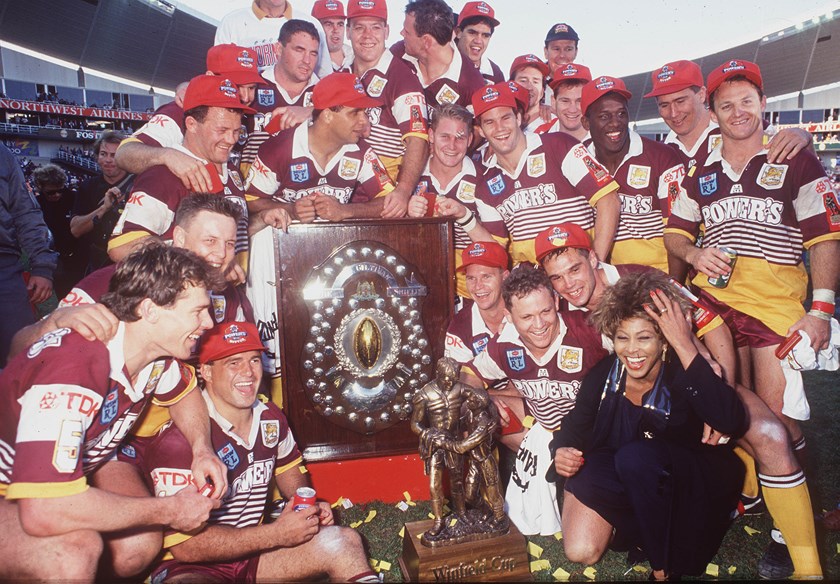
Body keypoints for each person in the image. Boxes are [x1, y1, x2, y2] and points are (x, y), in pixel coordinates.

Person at [538, 221, 822, 580]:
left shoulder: (642, 278)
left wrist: (719, 389)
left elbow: (713, 325)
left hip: (693, 378)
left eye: (574, 269)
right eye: (557, 278)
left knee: (768, 432)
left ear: (593, 258)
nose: (569, 284)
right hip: (631, 413)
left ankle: (802, 559)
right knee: (623, 476)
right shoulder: (561, 314)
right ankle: (697, 503)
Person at [665, 60, 834, 579]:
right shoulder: (701, 169)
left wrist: (822, 307)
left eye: (747, 101)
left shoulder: (794, 157)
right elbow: (674, 234)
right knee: (727, 409)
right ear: (712, 111)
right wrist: (693, 257)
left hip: (775, 305)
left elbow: (824, 237)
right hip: (713, 304)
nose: (738, 112)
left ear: (763, 104)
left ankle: (792, 533)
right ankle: (757, 491)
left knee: (780, 420)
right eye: (726, 103)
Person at [0, 244, 228, 580]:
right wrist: (170, 509)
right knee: (70, 554)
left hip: (58, 477)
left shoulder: (152, 354)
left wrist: (201, 449)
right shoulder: (77, 363)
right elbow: (45, 509)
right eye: (197, 311)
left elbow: (184, 392)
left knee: (139, 541)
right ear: (150, 310)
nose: (209, 322)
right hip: (17, 487)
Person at [127, 321, 378, 583]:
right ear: (206, 372)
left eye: (255, 360)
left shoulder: (269, 416)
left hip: (254, 555)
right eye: (233, 362)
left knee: (344, 541)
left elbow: (289, 468)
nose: (248, 372)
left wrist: (304, 505)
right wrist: (277, 535)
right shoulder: (178, 441)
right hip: (191, 567)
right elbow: (186, 547)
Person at [549, 270, 747, 581]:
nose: (632, 350)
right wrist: (560, 450)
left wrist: (684, 344)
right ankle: (643, 530)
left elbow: (731, 419)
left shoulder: (685, 373)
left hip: (693, 488)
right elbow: (574, 427)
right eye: (622, 337)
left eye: (645, 337)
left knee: (635, 458)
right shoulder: (604, 375)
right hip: (639, 482)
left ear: (664, 339)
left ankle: (662, 570)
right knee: (591, 472)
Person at [467, 267, 609, 535]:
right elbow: (468, 378)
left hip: (591, 438)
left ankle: (582, 483)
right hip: (544, 427)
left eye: (545, 311)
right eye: (527, 316)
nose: (539, 324)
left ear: (556, 302)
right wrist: (481, 398)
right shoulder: (504, 344)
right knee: (470, 408)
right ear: (509, 316)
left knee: (582, 549)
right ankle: (486, 495)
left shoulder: (587, 329)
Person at [470, 82, 620, 265]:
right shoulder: (485, 185)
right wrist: (464, 218)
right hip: (531, 282)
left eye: (505, 118)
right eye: (489, 122)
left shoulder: (559, 145)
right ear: (480, 131)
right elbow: (496, 250)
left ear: (518, 118)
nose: (500, 128)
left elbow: (608, 199)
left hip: (577, 271)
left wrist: (597, 262)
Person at [109, 75, 254, 263]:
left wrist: (266, 218)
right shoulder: (164, 174)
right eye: (222, 130)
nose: (231, 139)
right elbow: (121, 247)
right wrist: (196, 260)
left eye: (236, 131)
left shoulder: (231, 169)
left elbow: (236, 235)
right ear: (191, 124)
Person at [579, 75, 686, 273]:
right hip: (603, 279)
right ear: (586, 122)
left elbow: (678, 232)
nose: (615, 123)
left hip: (655, 277)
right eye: (604, 116)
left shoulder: (662, 156)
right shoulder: (579, 160)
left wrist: (675, 289)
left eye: (621, 114)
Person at [645, 59, 812, 174]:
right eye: (664, 105)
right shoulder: (664, 149)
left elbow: (806, 172)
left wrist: (804, 137)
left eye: (680, 101)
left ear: (702, 94)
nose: (673, 113)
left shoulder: (742, 127)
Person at [346, 0, 429, 218]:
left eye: (375, 27)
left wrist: (403, 191)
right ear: (348, 31)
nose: (367, 35)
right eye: (359, 27)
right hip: (344, 191)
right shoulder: (340, 73)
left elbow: (418, 139)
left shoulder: (402, 77)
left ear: (387, 31)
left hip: (382, 199)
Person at [406, 104, 501, 297]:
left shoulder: (485, 179)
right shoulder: (409, 175)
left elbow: (497, 251)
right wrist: (405, 215)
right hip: (419, 285)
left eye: (460, 137)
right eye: (444, 136)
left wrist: (464, 216)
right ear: (431, 136)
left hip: (471, 292)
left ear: (470, 140)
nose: (452, 145)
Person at [240, 19, 321, 176]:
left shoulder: (327, 93)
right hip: (253, 190)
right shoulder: (252, 86)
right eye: (299, 50)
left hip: (304, 190)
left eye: (313, 53)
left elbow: (360, 125)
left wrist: (314, 111)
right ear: (278, 49)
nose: (307, 60)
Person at [0, 143, 56, 367]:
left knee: (22, 359)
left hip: (4, 269)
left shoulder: (3, 154)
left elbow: (25, 211)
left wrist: (42, 265)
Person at [410, 357, 470, 542]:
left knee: (457, 480)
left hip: (453, 442)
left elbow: (481, 401)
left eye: (453, 379)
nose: (449, 383)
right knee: (434, 484)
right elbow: (415, 424)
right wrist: (428, 433)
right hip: (435, 444)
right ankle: (438, 521)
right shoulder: (425, 394)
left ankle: (462, 514)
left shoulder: (460, 389)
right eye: (445, 378)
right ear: (437, 374)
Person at [397, 0, 486, 112]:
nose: (401, 33)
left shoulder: (472, 85)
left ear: (426, 41)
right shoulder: (398, 53)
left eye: (407, 31)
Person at [215, 0, 332, 78]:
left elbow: (325, 78)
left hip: (297, 109)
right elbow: (220, 80)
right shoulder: (232, 22)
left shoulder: (311, 24)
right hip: (248, 108)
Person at [71, 131, 134, 272]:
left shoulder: (137, 183)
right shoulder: (88, 186)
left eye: (114, 155)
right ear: (97, 157)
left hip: (130, 261)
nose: (108, 160)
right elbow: (76, 230)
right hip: (97, 262)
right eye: (103, 154)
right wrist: (103, 209)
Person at [32, 164, 85, 297]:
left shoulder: (74, 197)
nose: (56, 195)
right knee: (63, 294)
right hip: (55, 256)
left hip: (78, 253)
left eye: (60, 190)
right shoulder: (37, 204)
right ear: (41, 188)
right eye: (51, 192)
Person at [536, 63, 591, 141]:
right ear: (553, 102)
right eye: (565, 101)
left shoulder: (605, 142)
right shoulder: (537, 139)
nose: (572, 109)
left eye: (579, 101)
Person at [455, 1, 504, 84]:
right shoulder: (441, 60)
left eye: (485, 35)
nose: (478, 41)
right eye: (472, 33)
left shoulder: (495, 73)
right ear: (458, 32)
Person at [509, 54, 555, 133]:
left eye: (535, 82)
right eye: (523, 81)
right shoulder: (500, 122)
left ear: (542, 91)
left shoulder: (555, 125)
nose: (529, 87)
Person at [311, 0, 350, 71]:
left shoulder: (356, 57)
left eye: (340, 24)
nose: (336, 30)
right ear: (315, 27)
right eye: (329, 24)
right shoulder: (309, 63)